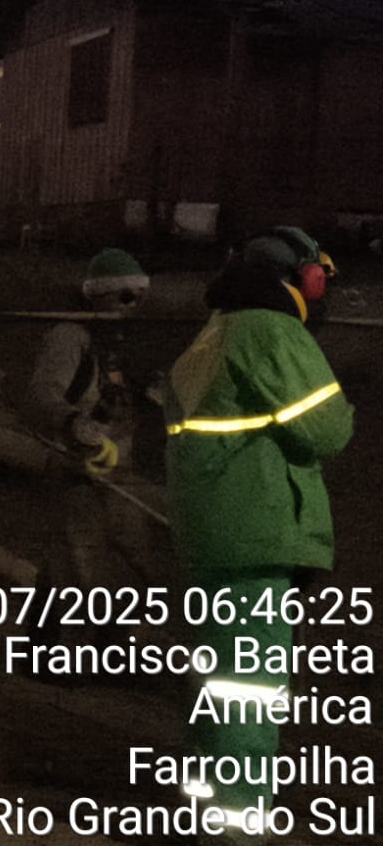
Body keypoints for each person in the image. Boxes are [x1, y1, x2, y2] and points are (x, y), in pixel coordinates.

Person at [163, 227, 351, 833]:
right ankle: (237, 829)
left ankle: (204, 817)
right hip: (257, 535)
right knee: (249, 696)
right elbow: (328, 429)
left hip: (214, 535)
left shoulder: (214, 331)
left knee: (218, 691)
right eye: (318, 278)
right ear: (295, 277)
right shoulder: (270, 329)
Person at [21, 248, 160, 638]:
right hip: (77, 471)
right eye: (125, 296)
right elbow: (42, 394)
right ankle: (68, 650)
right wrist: (75, 423)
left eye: (140, 298)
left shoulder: (117, 340)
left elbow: (122, 395)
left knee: (123, 563)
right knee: (80, 567)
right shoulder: (71, 337)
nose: (133, 307)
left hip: (117, 473)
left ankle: (89, 646)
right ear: (98, 295)